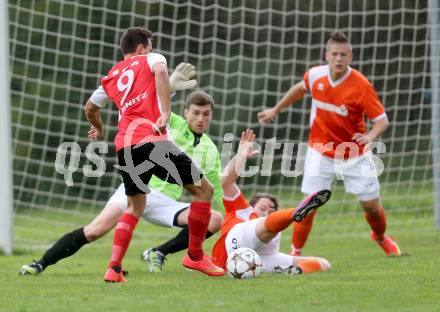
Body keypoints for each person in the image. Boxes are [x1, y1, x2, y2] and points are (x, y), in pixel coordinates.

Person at [19, 90, 224, 276]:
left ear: (211, 116)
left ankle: (158, 253)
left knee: (215, 219)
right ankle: (40, 264)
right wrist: (169, 89)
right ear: (186, 112)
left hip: (165, 203)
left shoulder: (211, 150)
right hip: (138, 187)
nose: (200, 118)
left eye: (206, 114)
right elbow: (150, 103)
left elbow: (215, 192)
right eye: (196, 113)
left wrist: (238, 223)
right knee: (95, 230)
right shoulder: (173, 123)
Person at [85, 26, 224, 282]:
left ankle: (114, 268)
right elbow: (160, 71)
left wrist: (98, 128)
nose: (151, 49)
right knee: (204, 190)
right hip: (151, 142)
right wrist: (166, 111)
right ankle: (194, 255)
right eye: (149, 45)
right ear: (141, 48)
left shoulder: (112, 75)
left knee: (135, 206)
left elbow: (90, 107)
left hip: (125, 148)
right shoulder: (152, 59)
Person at [257, 31, 401, 257]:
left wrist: (370, 136)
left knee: (372, 208)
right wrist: (276, 109)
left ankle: (380, 237)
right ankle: (295, 253)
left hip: (355, 153)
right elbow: (299, 88)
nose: (338, 58)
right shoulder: (316, 76)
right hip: (320, 151)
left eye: (343, 54)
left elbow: (382, 121)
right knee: (309, 206)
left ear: (350, 56)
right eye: (334, 53)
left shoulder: (361, 85)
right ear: (327, 55)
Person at [211, 129, 332, 274]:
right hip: (234, 247)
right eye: (263, 207)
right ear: (251, 205)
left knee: (323, 264)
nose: (267, 211)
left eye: (271, 211)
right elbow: (226, 182)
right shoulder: (241, 209)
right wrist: (241, 154)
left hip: (264, 255)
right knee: (264, 225)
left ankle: (295, 271)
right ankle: (295, 212)